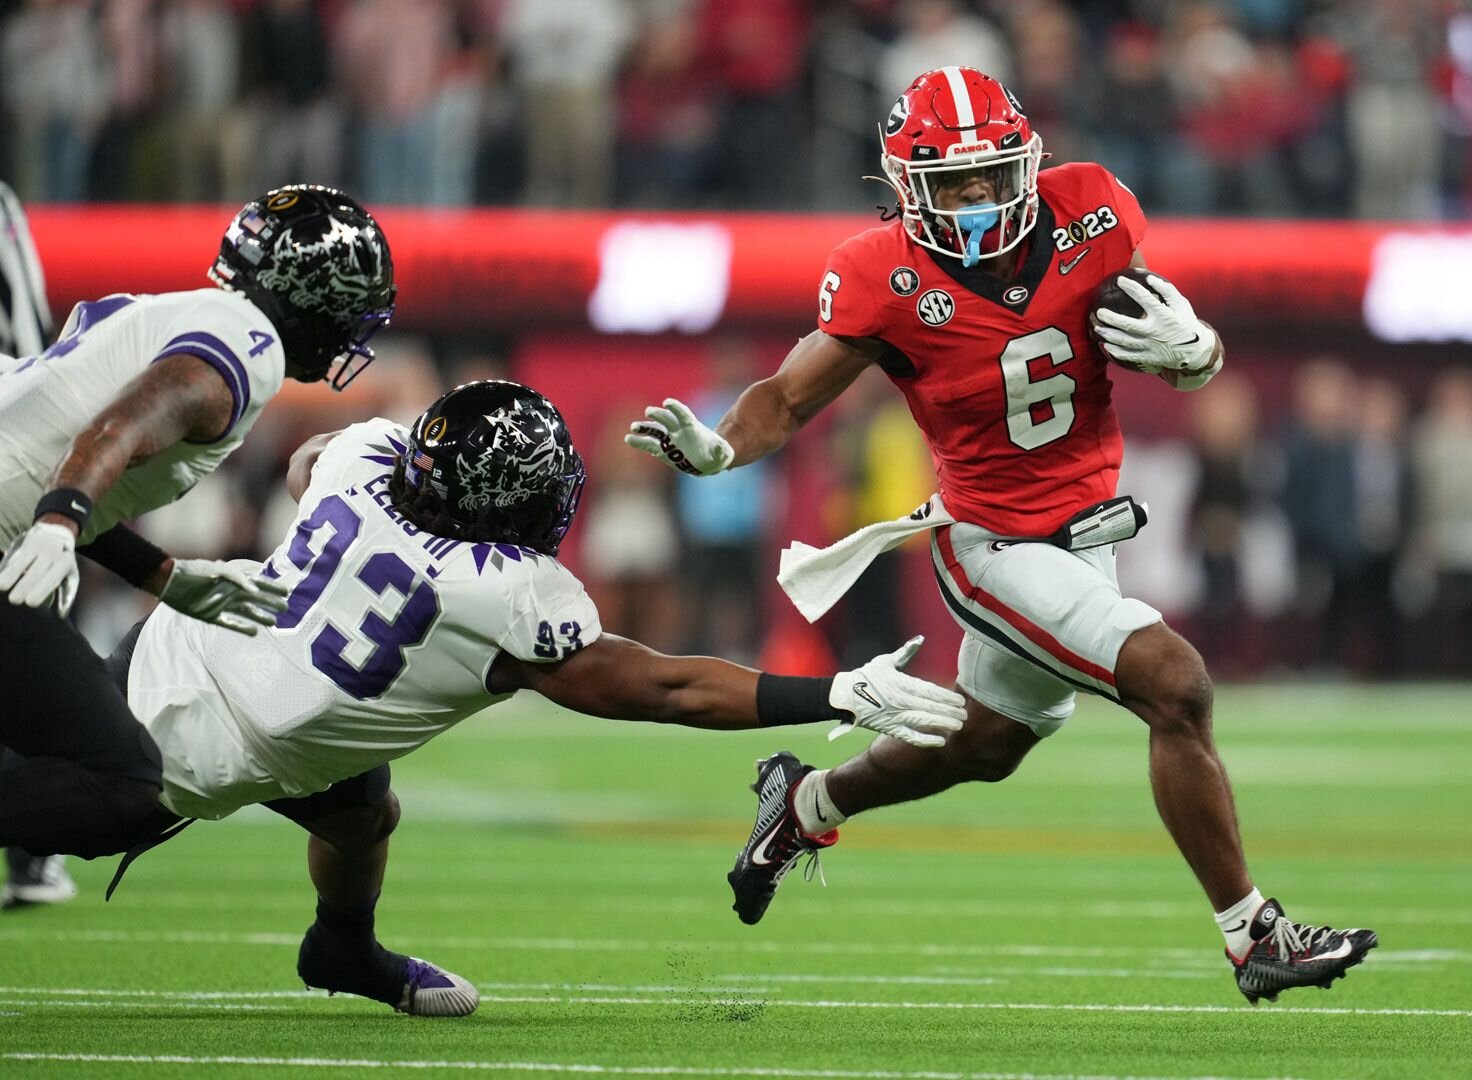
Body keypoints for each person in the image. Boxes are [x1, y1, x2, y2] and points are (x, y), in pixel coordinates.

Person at [626, 67, 1376, 1004]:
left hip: (1087, 529)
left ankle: (806, 801)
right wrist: (718, 445)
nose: (979, 200)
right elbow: (782, 397)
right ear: (908, 190)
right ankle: (1253, 937)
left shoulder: (1094, 210)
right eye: (953, 185)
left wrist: (1202, 355)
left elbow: (1172, 332)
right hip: (991, 544)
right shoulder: (882, 277)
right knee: (1174, 685)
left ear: (1028, 162)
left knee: (988, 742)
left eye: (992, 177)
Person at [105, 379, 966, 1016]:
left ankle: (343, 949)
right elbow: (665, 687)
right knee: (62, 808)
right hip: (200, 726)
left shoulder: (363, 458)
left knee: (363, 810)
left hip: (225, 662)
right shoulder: (503, 591)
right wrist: (835, 692)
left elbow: (305, 464)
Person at [0, 185, 395, 875]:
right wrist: (61, 516)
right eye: (348, 311)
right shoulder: (249, 348)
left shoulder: (164, 312)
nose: (349, 333)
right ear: (311, 298)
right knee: (122, 779)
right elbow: (117, 429)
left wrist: (165, 577)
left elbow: (58, 445)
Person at [0, 160, 72, 907]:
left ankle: (33, 843)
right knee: (20, 642)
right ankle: (35, 844)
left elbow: (33, 355)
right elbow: (36, 355)